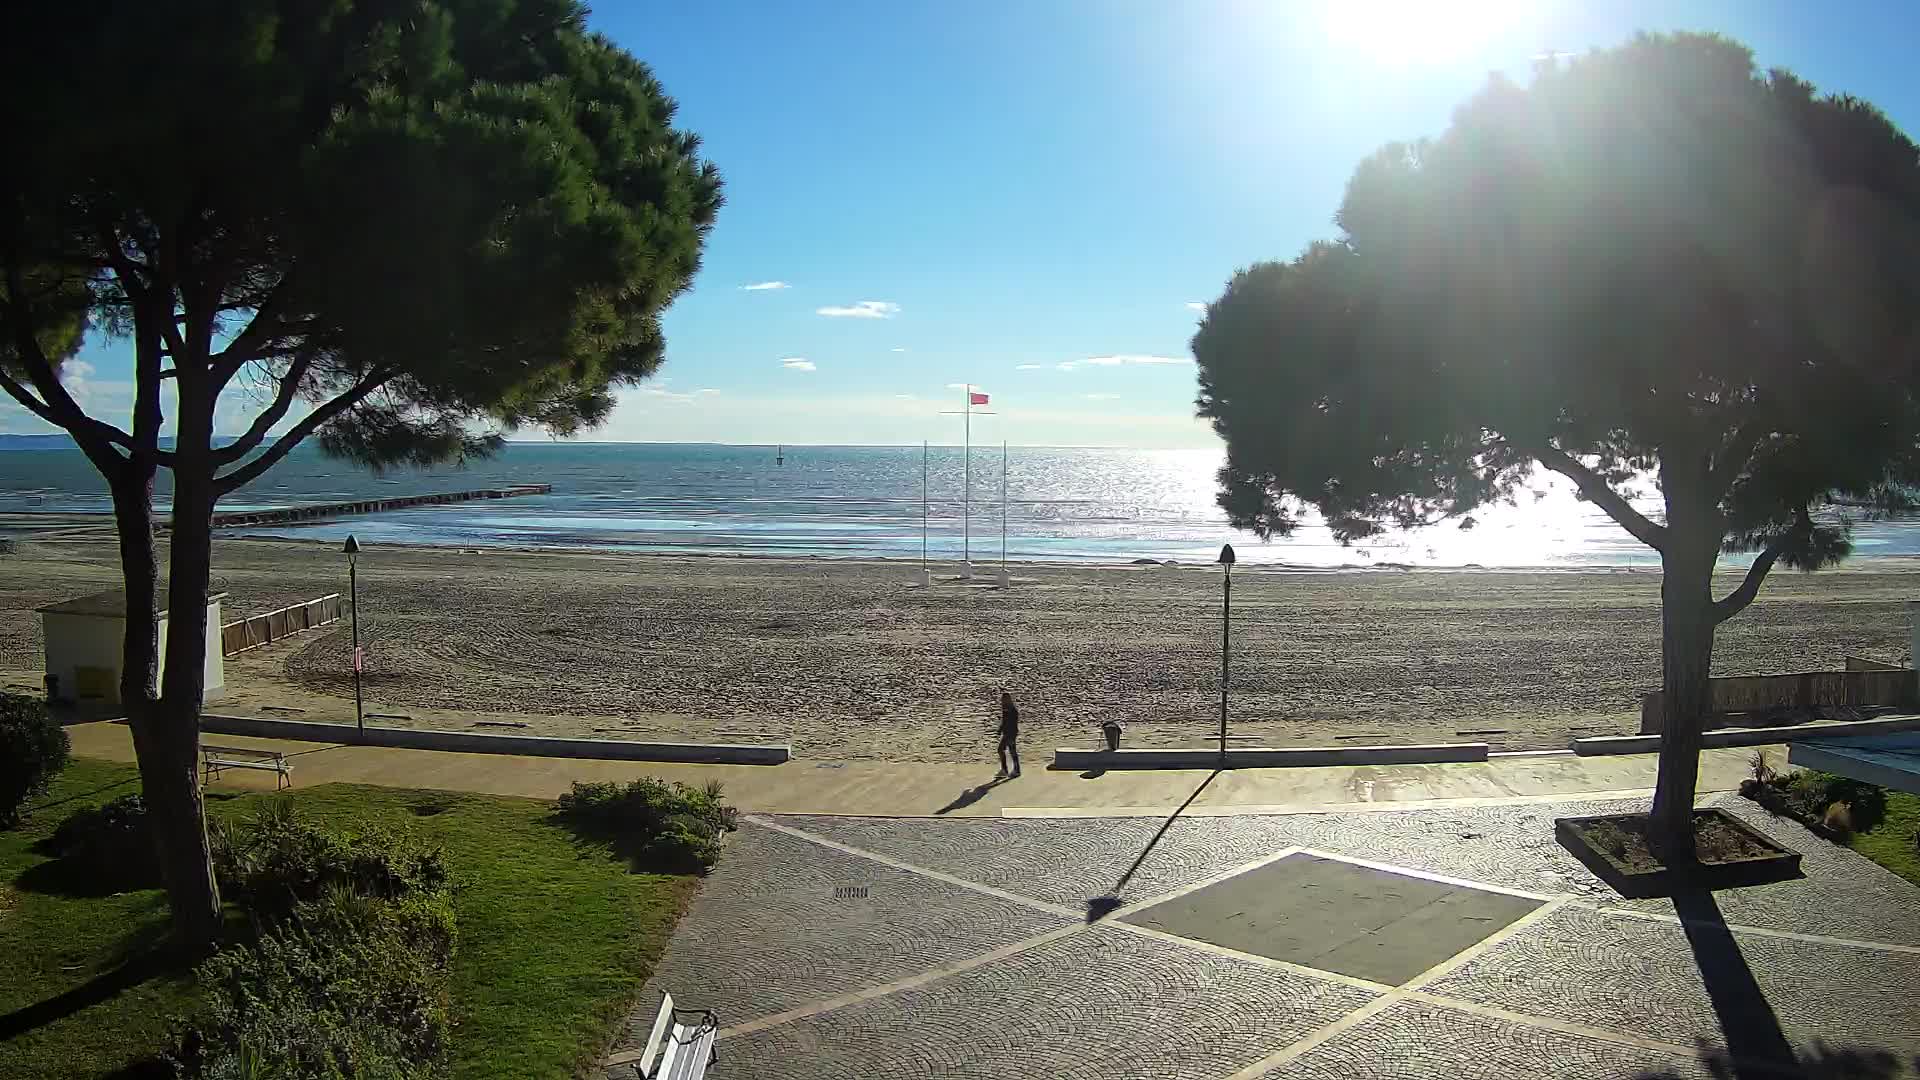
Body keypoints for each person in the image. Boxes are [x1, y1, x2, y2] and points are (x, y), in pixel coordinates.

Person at [996, 691, 1020, 777]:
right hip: (1008, 733)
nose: (1001, 701)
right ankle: (1012, 770)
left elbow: (1011, 723)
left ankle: (1007, 770)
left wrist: (1010, 734)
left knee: (1002, 750)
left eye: (1003, 699)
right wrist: (1000, 730)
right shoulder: (1006, 709)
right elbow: (1004, 722)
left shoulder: (1011, 710)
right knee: (1011, 751)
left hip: (1010, 734)